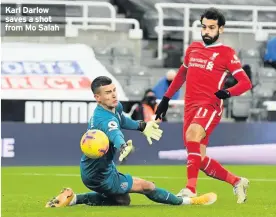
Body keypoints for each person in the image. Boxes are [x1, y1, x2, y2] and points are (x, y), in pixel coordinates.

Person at [45, 76, 217, 208]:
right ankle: (187, 201)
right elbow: (115, 133)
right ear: (97, 97)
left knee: (122, 200)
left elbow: (123, 121)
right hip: (100, 174)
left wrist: (142, 126)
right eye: (107, 92)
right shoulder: (103, 119)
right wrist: (123, 146)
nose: (113, 94)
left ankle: (72, 198)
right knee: (146, 186)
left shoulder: (115, 107)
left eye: (113, 90)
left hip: (96, 169)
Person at [155, 8, 252, 204]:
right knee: (198, 159)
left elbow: (245, 82)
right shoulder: (193, 49)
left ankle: (190, 189)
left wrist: (228, 92)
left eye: (211, 28)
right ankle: (237, 181)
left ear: (221, 29)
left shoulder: (226, 53)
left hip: (209, 105)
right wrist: (165, 99)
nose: (206, 31)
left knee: (192, 136)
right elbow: (181, 75)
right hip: (190, 107)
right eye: (204, 27)